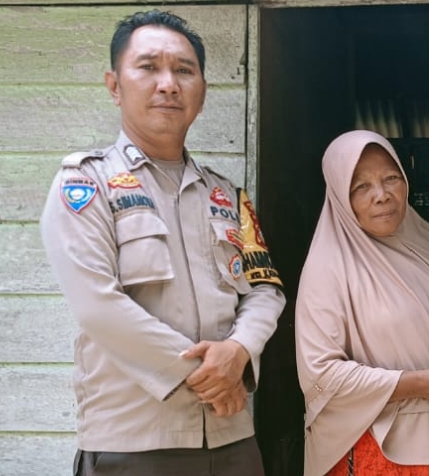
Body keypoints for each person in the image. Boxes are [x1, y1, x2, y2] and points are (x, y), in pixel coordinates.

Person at [40, 10, 286, 476]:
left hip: (232, 438)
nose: (169, 84)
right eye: (149, 67)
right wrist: (208, 375)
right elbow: (97, 305)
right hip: (135, 441)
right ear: (115, 86)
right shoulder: (87, 183)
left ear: (203, 93)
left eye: (184, 70)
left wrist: (239, 351)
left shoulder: (226, 194)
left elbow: (264, 288)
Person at [294, 130, 429, 476]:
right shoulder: (329, 267)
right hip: (385, 452)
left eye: (391, 178)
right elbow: (322, 375)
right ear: (340, 196)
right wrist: (418, 384)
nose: (382, 195)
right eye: (361, 186)